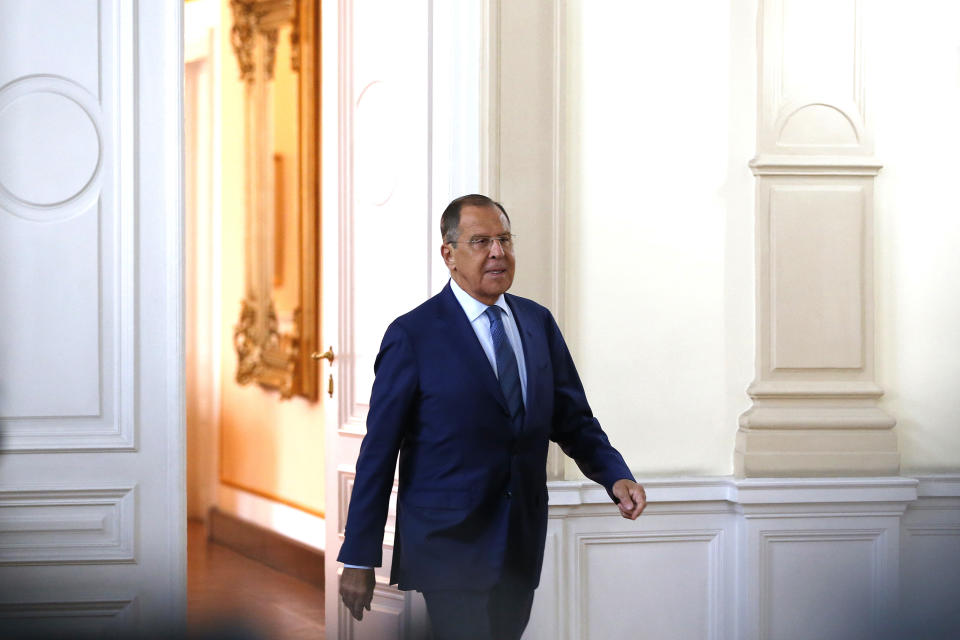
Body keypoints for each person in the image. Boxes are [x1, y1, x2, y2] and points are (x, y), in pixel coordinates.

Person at [337, 194, 646, 639]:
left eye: (504, 240)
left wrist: (615, 475)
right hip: (448, 544)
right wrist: (360, 556)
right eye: (481, 241)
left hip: (519, 540)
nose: (498, 252)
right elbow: (378, 453)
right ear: (449, 254)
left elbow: (572, 418)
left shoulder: (537, 323)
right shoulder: (413, 335)